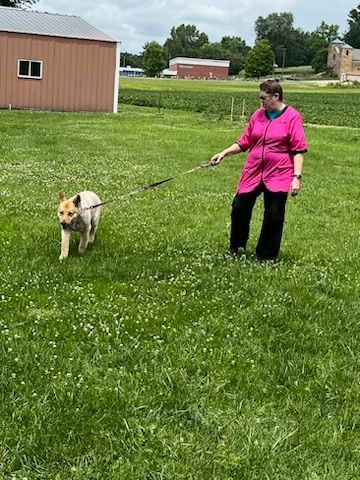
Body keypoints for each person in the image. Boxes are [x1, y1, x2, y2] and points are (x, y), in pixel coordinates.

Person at [210, 79, 307, 261]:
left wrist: (296, 177)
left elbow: (298, 150)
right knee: (239, 206)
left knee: (274, 213)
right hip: (254, 170)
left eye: (263, 98)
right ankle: (237, 246)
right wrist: (223, 153)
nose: (260, 102)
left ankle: (266, 256)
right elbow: (244, 142)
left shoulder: (292, 117)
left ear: (275, 96)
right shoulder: (258, 115)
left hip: (279, 171)